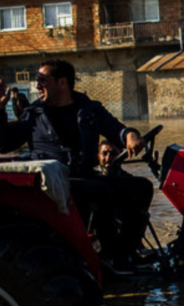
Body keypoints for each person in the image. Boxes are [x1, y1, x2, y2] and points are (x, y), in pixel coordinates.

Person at [0, 61, 151, 275]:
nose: (37, 86)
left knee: (141, 187)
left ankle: (126, 250)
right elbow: (5, 143)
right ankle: (112, 257)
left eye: (43, 80)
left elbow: (116, 129)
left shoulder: (89, 109)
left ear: (62, 82)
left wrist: (131, 135)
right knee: (101, 192)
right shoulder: (34, 114)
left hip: (84, 175)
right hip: (51, 182)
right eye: (38, 81)